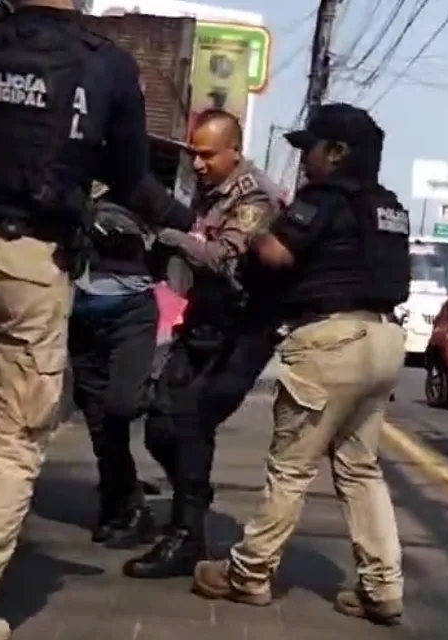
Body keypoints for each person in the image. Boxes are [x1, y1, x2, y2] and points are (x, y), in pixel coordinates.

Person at [0, 0, 194, 637]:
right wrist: (189, 225)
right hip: (32, 263)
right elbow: (131, 179)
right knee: (7, 446)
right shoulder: (107, 66)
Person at [187, 103, 411, 626]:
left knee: (291, 467)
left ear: (337, 153)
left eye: (309, 149)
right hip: (383, 340)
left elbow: (277, 255)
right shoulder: (391, 207)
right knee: (360, 469)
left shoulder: (325, 199)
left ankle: (249, 574)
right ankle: (383, 589)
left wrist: (258, 230)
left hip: (331, 340)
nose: (303, 160)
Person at [123, 109, 284, 580]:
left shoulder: (255, 197)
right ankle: (192, 498)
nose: (197, 164)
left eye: (207, 155)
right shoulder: (212, 189)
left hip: (242, 333)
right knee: (158, 424)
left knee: (192, 422)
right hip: (204, 324)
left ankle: (187, 534)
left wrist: (167, 235)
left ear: (234, 150)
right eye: (194, 154)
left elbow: (221, 258)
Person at [68, 185, 168, 550]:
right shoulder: (66, 179)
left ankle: (162, 392)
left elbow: (174, 224)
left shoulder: (135, 184)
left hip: (131, 312)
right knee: (100, 422)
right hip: (81, 316)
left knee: (122, 404)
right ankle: (123, 507)